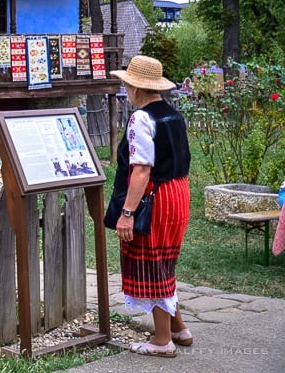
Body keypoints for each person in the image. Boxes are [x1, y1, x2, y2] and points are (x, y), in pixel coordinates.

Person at [109, 55, 192, 358]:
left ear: (136, 88)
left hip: (156, 195)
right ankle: (178, 329)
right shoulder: (173, 115)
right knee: (164, 262)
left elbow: (141, 170)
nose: (126, 90)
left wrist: (127, 213)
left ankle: (161, 341)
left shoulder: (141, 119)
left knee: (153, 262)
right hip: (178, 191)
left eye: (127, 85)